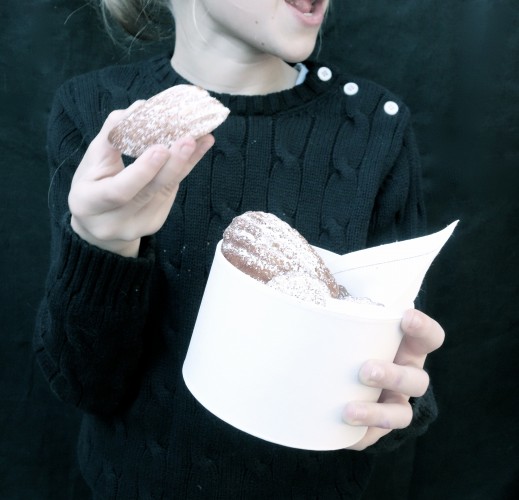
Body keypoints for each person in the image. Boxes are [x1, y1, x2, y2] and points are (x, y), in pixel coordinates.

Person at [34, 0, 445, 497]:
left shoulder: (375, 126)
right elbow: (83, 384)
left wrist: (390, 406)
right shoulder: (100, 115)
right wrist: (104, 244)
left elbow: (395, 370)